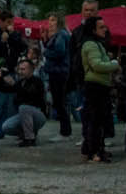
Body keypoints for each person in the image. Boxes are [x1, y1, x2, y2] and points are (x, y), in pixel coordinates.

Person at [78, 14, 118, 164]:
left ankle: (95, 149)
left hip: (100, 86)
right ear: (93, 30)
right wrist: (114, 64)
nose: (105, 29)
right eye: (101, 27)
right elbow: (97, 65)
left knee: (99, 120)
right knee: (95, 120)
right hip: (95, 87)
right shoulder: (90, 45)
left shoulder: (97, 44)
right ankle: (93, 151)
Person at [0, 62, 46, 145]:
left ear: (31, 70)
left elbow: (29, 95)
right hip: (25, 115)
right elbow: (4, 89)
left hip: (38, 115)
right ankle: (26, 134)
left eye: (23, 69)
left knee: (24, 107)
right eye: (19, 69)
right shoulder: (21, 82)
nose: (20, 72)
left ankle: (29, 139)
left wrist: (14, 84)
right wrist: (2, 78)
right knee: (6, 127)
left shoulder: (37, 81)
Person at [40, 16, 72, 139]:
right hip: (58, 71)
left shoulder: (61, 35)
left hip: (58, 71)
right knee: (59, 102)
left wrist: (45, 51)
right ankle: (65, 130)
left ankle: (65, 132)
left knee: (59, 102)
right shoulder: (60, 35)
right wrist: (45, 40)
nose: (50, 23)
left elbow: (59, 52)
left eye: (53, 20)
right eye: (49, 20)